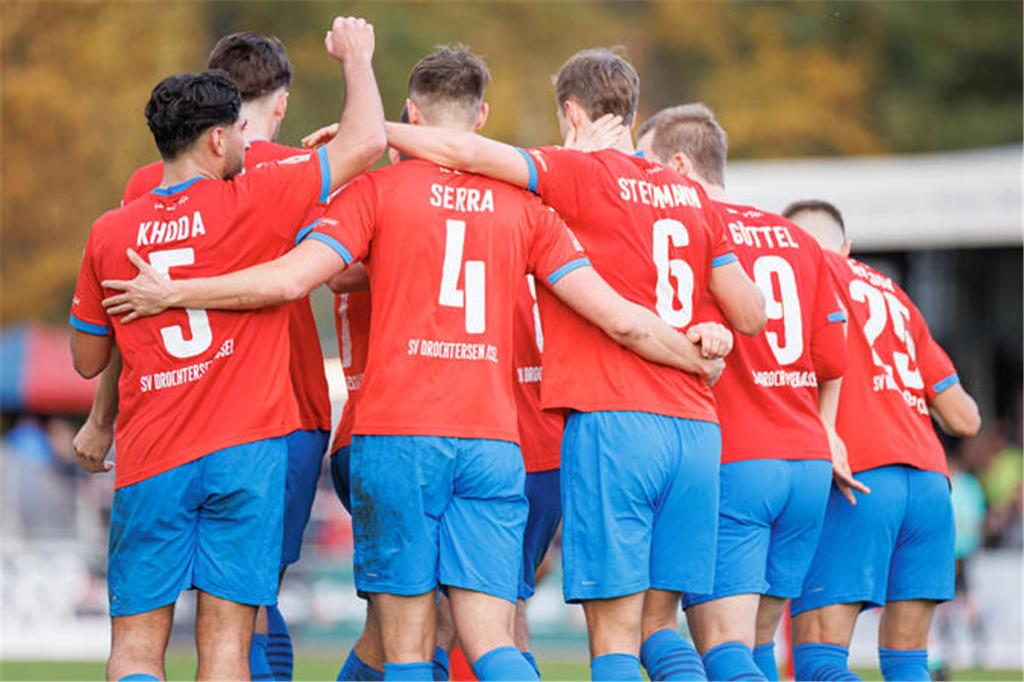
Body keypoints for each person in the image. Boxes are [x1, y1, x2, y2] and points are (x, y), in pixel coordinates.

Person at [100, 45, 727, 682]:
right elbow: (617, 314)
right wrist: (694, 355)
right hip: (494, 442)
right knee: (492, 639)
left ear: (411, 112)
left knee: (404, 647)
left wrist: (176, 292)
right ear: (482, 115)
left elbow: (294, 280)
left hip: (397, 435)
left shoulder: (375, 192)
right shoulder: (526, 207)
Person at [381, 47, 767, 681]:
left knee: (614, 639)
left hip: (616, 422)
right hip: (696, 429)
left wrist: (369, 133)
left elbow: (464, 152)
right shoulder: (690, 194)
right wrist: (711, 332)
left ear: (570, 112)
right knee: (659, 628)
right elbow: (749, 316)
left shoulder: (577, 172)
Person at [69, 17, 385, 679]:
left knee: (134, 649)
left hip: (154, 449)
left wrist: (102, 419)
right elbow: (366, 145)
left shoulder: (115, 221)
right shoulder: (264, 189)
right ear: (224, 135)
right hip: (256, 440)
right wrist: (357, 57)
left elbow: (93, 354)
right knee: (229, 642)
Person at [633, 103, 860, 681]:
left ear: (678, 165)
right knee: (758, 647)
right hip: (805, 466)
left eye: (644, 164)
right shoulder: (798, 239)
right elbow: (832, 359)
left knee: (715, 648)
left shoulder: (688, 232)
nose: (638, 179)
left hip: (737, 460)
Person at [783, 199, 982, 681]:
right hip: (932, 489)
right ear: (846, 247)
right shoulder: (893, 294)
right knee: (908, 662)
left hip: (859, 476)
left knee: (818, 660)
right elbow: (965, 418)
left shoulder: (801, 274)